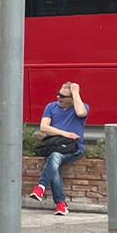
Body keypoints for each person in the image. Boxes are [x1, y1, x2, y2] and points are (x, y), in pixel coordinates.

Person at [32, 81, 88, 216]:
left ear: (72, 98)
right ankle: (60, 204)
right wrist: (66, 134)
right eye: (58, 94)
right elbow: (43, 127)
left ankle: (42, 188)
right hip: (55, 146)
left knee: (54, 158)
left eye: (63, 96)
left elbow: (81, 113)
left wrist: (76, 92)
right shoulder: (51, 107)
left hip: (73, 149)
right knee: (55, 158)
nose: (59, 98)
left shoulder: (81, 107)